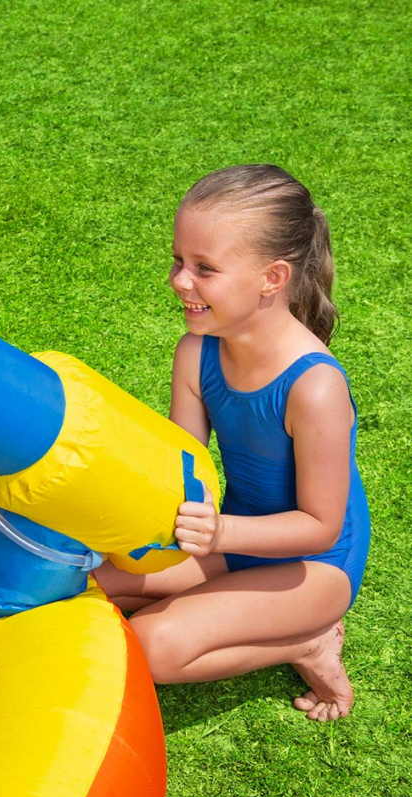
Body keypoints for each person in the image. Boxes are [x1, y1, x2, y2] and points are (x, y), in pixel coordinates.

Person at [94, 164, 370, 722]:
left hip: (315, 566)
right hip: (234, 535)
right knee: (85, 584)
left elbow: (322, 524)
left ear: (272, 278)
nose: (179, 280)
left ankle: (306, 642)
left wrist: (219, 530)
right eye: (178, 260)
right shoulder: (197, 353)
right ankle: (230, 610)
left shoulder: (314, 385)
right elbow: (179, 466)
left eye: (204, 268)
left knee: (148, 646)